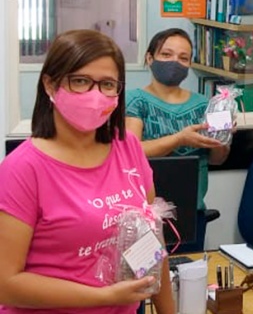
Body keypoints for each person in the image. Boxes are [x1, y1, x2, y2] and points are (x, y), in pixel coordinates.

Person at [0, 30, 174, 314]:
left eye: (107, 84)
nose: (95, 95)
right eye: (80, 81)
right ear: (50, 84)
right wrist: (105, 297)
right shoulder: (22, 169)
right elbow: (5, 283)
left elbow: (151, 240)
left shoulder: (127, 146)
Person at [125, 28, 230, 251]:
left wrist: (223, 138)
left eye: (183, 58)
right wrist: (180, 139)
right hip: (145, 212)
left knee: (190, 276)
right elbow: (133, 152)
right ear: (149, 58)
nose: (175, 62)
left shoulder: (204, 104)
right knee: (147, 280)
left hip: (192, 210)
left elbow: (217, 160)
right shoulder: (135, 101)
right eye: (166, 55)